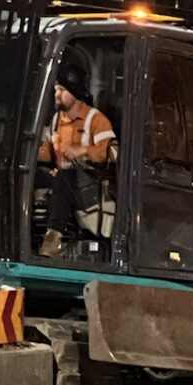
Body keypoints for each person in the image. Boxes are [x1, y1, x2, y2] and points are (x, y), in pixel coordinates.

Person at [37, 56, 116, 258]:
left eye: (61, 90)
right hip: (62, 176)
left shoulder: (97, 120)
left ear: (74, 92)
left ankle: (53, 237)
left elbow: (109, 153)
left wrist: (82, 150)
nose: (57, 94)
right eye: (56, 90)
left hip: (91, 181)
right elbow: (46, 153)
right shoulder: (56, 120)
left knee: (65, 177)